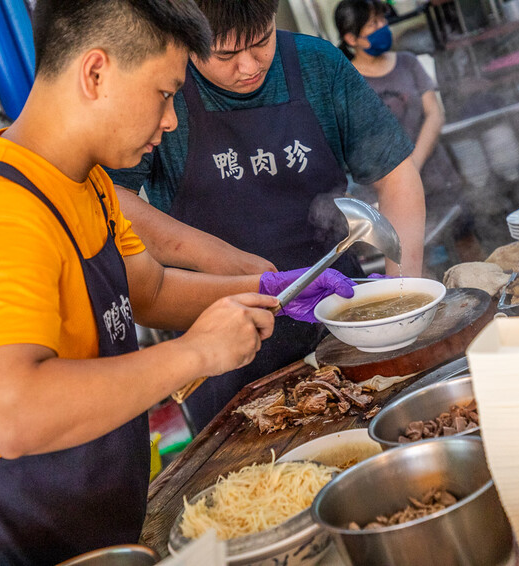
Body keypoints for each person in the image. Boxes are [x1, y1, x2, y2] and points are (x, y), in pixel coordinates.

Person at [0, 2, 353, 564]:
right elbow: (13, 413)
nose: (170, 120)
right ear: (96, 72)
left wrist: (271, 289)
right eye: (164, 93)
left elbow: (149, 292)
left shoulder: (88, 185)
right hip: (16, 543)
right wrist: (196, 352)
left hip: (100, 524)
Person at [107, 0, 427, 432]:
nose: (249, 66)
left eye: (261, 42)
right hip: (220, 337)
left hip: (339, 317)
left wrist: (401, 300)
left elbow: (397, 177)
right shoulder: (162, 86)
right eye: (225, 54)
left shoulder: (318, 65)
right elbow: (112, 200)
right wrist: (223, 260)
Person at [334, 0, 482, 267]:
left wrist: (412, 165)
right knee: (414, 264)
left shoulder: (407, 62)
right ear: (351, 38)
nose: (383, 27)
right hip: (388, 194)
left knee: (467, 245)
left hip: (437, 178)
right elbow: (354, 143)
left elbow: (434, 114)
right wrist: (399, 179)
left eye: (382, 20)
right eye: (373, 24)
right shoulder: (347, 81)